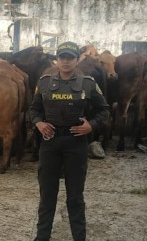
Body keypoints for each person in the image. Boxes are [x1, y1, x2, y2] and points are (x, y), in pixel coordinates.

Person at [29, 41, 110, 241]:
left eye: (70, 58)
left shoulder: (88, 83)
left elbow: (105, 110)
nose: (65, 61)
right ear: (56, 60)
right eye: (62, 57)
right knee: (47, 197)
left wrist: (91, 125)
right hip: (50, 144)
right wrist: (39, 123)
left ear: (76, 60)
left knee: (75, 198)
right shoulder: (45, 82)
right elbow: (33, 110)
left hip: (76, 144)